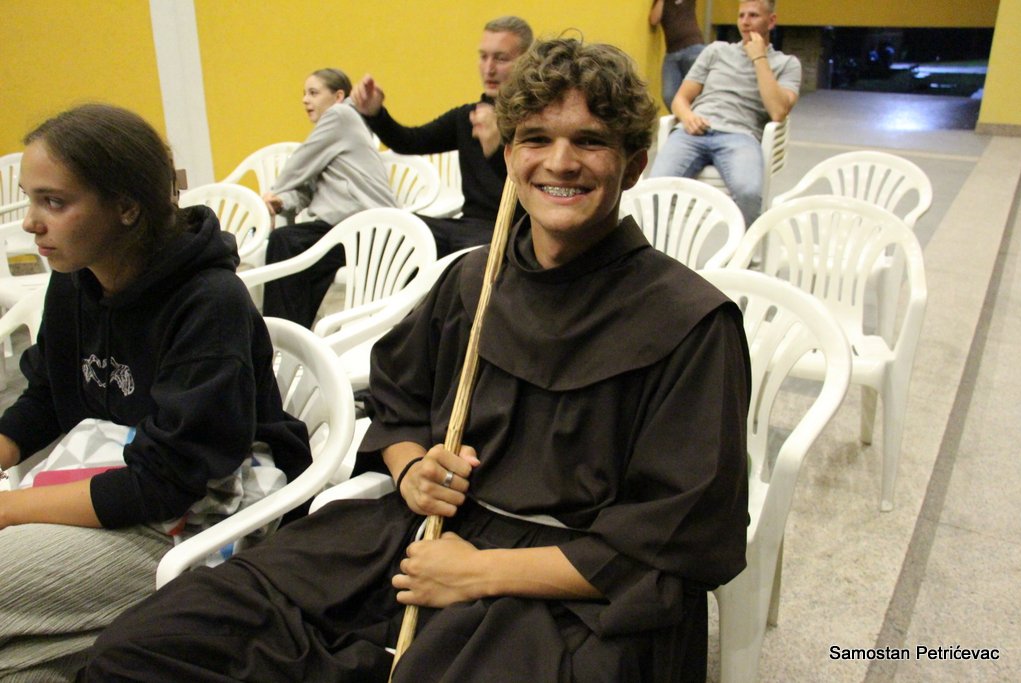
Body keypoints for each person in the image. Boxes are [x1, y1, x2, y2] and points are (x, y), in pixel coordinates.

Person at [81, 37, 750, 682]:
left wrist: (481, 573)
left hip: (571, 591)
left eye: (590, 141)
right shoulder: (472, 283)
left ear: (633, 164)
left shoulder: (690, 323)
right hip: (419, 535)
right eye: (536, 139)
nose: (560, 162)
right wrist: (412, 470)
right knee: (158, 645)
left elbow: (679, 536)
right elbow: (397, 404)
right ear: (510, 155)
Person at [0, 104, 311, 678]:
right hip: (112, 486)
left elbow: (166, 481)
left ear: (126, 207)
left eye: (54, 202)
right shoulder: (74, 282)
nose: (31, 224)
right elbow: (46, 395)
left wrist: (9, 509)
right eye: (29, 200)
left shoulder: (208, 302)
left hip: (198, 517)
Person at [351, 16, 532, 257]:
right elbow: (409, 141)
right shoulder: (468, 116)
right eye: (483, 57)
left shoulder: (536, 122)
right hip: (466, 226)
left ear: (526, 62)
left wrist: (499, 151)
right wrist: (375, 113)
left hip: (512, 230)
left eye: (501, 58)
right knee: (390, 231)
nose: (489, 68)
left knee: (474, 253)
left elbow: (533, 192)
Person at [262, 67, 397, 329]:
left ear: (338, 96)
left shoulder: (340, 115)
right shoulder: (338, 133)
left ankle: (280, 338)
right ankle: (292, 335)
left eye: (313, 93)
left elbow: (299, 163)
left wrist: (273, 192)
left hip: (368, 229)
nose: (305, 100)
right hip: (348, 227)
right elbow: (308, 186)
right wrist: (283, 201)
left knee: (285, 242)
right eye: (304, 94)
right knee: (293, 248)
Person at [649, 0, 801, 227]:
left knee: (749, 194)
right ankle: (661, 246)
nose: (745, 22)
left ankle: (745, 249)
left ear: (771, 21)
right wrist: (688, 117)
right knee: (653, 190)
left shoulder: (786, 64)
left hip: (740, 136)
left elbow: (778, 111)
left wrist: (759, 58)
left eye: (753, 15)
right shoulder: (716, 51)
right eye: (741, 16)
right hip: (693, 131)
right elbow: (680, 99)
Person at [650, 0, 706, 110]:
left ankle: (697, 116)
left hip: (693, 47)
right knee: (669, 95)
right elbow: (653, 20)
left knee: (697, 91)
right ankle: (684, 117)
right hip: (672, 52)